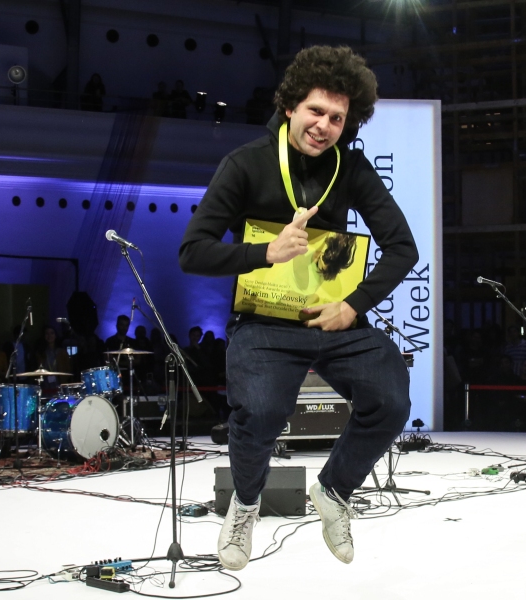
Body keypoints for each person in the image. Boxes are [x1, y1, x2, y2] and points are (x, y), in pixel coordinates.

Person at [179, 45, 418, 570]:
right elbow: (192, 252)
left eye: (337, 118)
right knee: (261, 411)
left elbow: (404, 248)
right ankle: (245, 504)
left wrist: (353, 305)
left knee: (391, 400)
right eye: (316, 111)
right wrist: (264, 253)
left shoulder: (351, 168)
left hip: (332, 319)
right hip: (263, 322)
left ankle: (334, 491)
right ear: (289, 105)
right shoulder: (246, 163)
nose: (324, 126)